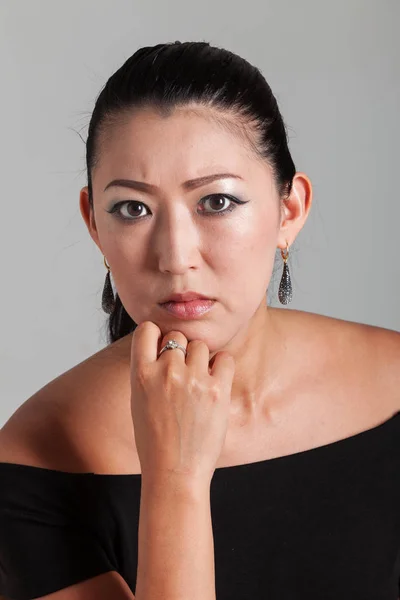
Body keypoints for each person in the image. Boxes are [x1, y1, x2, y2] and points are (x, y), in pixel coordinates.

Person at [0, 40, 399, 600]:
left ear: (290, 211)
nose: (175, 255)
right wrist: (176, 480)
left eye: (217, 202)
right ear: (94, 224)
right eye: (133, 209)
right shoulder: (35, 458)